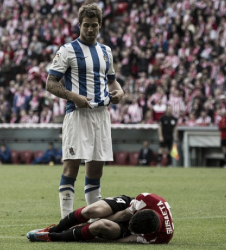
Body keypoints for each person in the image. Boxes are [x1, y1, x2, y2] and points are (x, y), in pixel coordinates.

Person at [45, 4, 124, 218]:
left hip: (101, 116)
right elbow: (50, 83)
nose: (90, 30)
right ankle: (66, 221)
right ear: (79, 25)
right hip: (77, 115)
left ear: (100, 26)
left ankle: (95, 221)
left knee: (96, 172)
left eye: (94, 26)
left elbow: (113, 82)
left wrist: (120, 93)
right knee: (71, 168)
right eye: (86, 25)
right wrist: (73, 96)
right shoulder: (67, 50)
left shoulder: (106, 51)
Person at [26, 193, 174, 244]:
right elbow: (122, 215)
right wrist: (87, 223)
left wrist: (92, 236)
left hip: (128, 228)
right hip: (126, 208)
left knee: (101, 226)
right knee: (92, 210)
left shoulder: (160, 237)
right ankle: (54, 229)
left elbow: (126, 240)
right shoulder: (147, 200)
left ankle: (51, 237)